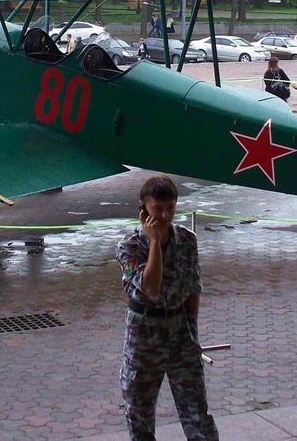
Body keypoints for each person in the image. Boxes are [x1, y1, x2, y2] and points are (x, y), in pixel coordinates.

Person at [116, 175, 218, 441]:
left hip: (179, 330)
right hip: (144, 334)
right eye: (157, 209)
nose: (164, 215)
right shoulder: (128, 248)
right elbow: (150, 287)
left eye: (170, 208)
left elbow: (193, 287)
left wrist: (192, 333)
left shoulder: (186, 239)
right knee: (140, 414)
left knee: (197, 411)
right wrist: (153, 244)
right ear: (143, 208)